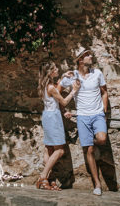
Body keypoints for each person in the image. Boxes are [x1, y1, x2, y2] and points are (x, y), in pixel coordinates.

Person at [58, 47, 108, 196]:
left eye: (90, 54)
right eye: (87, 55)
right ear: (80, 60)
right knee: (89, 150)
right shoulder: (72, 76)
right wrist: (63, 110)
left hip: (97, 115)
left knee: (102, 138)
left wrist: (104, 110)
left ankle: (89, 140)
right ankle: (97, 184)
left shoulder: (97, 73)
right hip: (82, 117)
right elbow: (57, 90)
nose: (90, 56)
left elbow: (104, 92)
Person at [36, 61, 80, 191]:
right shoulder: (51, 88)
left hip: (48, 116)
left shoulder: (45, 85)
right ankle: (43, 177)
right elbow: (64, 101)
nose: (57, 69)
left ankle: (49, 179)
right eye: (55, 68)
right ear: (50, 72)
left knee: (49, 149)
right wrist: (74, 91)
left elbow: (56, 87)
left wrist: (62, 77)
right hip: (53, 118)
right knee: (60, 150)